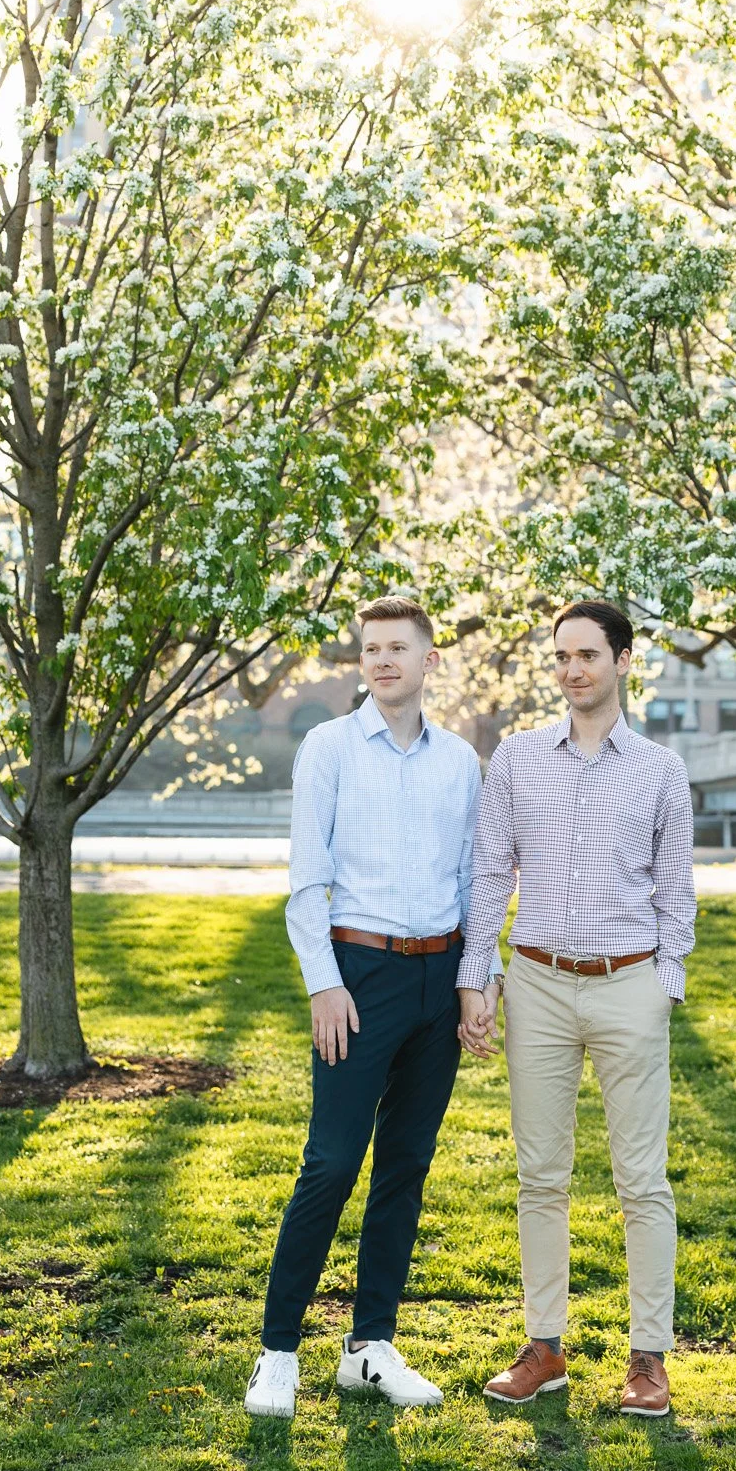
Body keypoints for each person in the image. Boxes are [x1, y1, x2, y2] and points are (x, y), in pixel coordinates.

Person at [244, 596, 499, 1420]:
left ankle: (369, 1347)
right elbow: (305, 880)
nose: (382, 660)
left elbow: (473, 882)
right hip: (356, 976)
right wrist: (323, 981)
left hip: (438, 979)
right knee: (330, 1162)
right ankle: (277, 1351)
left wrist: (474, 979)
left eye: (397, 648)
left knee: (406, 1164)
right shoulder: (327, 748)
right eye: (370, 649)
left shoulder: (460, 760)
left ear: (430, 662)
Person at [456, 600, 696, 1418]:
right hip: (539, 986)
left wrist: (667, 980)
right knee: (540, 1177)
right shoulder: (517, 760)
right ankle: (544, 1349)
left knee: (642, 1181)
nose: (571, 670)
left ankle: (648, 1362)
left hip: (631, 985)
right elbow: (490, 874)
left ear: (624, 661)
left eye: (588, 655)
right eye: (561, 656)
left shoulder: (660, 770)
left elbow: (676, 889)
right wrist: (475, 974)